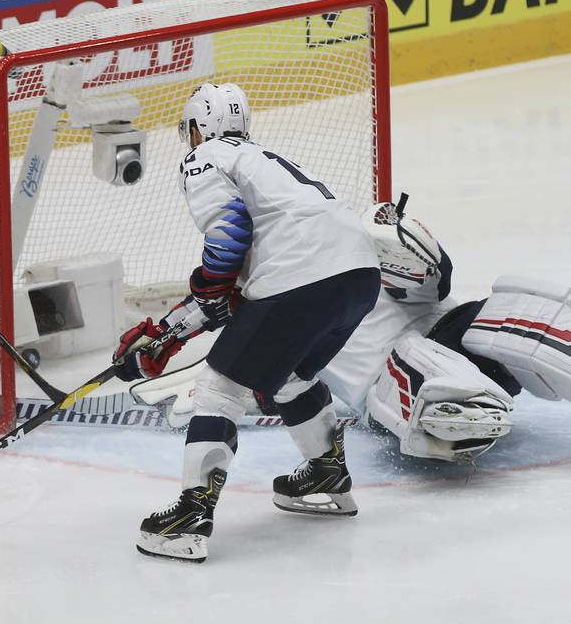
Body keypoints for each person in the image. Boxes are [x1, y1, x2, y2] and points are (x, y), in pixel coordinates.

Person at [113, 82, 380, 563]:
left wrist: (177, 325)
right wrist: (170, 334)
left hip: (302, 274)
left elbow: (229, 233)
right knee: (291, 376)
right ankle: (326, 475)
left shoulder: (206, 156)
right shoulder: (263, 159)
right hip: (359, 275)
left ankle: (190, 517)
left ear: (198, 127)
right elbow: (236, 292)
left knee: (220, 386)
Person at [131, 197, 571, 464]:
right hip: (394, 386)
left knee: (510, 313)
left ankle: (464, 402)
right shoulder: (263, 312)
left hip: (451, 331)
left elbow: (439, 282)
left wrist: (402, 240)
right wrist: (159, 342)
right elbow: (212, 331)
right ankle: (455, 410)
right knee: (418, 365)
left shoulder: (354, 243)